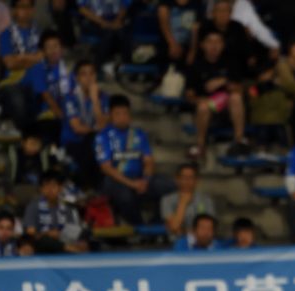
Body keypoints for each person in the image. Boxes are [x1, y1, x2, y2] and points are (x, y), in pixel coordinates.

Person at [94, 94, 170, 225]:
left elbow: (149, 161)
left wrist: (145, 180)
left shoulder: (139, 134)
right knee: (125, 196)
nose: (122, 117)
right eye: (118, 114)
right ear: (111, 115)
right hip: (117, 180)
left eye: (125, 113)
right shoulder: (103, 136)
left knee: (168, 186)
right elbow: (106, 168)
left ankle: (156, 223)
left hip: (139, 178)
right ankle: (139, 226)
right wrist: (131, 184)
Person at [184, 29, 247, 159]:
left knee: (236, 98)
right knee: (203, 107)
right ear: (203, 45)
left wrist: (223, 81)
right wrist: (201, 100)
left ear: (223, 45)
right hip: (206, 108)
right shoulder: (196, 65)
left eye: (218, 42)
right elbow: (189, 95)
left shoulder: (231, 63)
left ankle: (239, 141)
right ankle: (200, 145)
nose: (214, 46)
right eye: (210, 42)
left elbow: (240, 89)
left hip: (227, 108)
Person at [62, 60, 109, 189]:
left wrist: (95, 100)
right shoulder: (70, 97)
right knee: (91, 149)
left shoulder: (103, 97)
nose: (88, 78)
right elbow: (77, 128)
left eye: (91, 74)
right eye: (84, 74)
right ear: (77, 78)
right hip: (74, 142)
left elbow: (103, 126)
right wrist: (96, 129)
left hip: (95, 141)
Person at [0, 0, 43, 132]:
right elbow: (10, 63)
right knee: (19, 103)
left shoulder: (40, 34)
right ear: (14, 10)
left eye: (29, 7)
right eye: (22, 7)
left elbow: (45, 58)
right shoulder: (6, 34)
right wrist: (34, 58)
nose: (26, 10)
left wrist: (22, 58)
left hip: (38, 80)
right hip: (14, 82)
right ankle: (27, 137)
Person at [23, 171, 87, 253]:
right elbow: (30, 234)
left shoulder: (67, 208)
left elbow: (72, 232)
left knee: (85, 237)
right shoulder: (33, 207)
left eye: (53, 186)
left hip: (64, 241)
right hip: (42, 247)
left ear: (60, 188)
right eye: (46, 186)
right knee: (45, 240)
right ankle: (69, 249)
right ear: (41, 189)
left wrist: (61, 235)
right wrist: (48, 234)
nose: (50, 189)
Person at [28, 29, 73, 143]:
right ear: (43, 51)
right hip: (47, 113)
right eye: (48, 47)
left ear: (62, 48)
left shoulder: (69, 67)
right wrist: (61, 116)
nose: (53, 50)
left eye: (56, 46)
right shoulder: (38, 68)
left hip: (70, 111)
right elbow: (46, 96)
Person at [160, 163, 215, 238]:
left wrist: (186, 233)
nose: (187, 181)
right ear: (177, 179)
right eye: (184, 177)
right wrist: (183, 203)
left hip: (201, 240)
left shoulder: (206, 200)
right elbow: (174, 227)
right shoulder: (167, 200)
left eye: (191, 177)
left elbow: (208, 228)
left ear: (196, 180)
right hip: (176, 242)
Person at [77, 0, 130, 73]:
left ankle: (128, 67)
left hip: (116, 20)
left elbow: (125, 5)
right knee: (108, 34)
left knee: (123, 33)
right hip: (93, 21)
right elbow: (82, 9)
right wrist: (103, 22)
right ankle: (97, 67)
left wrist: (117, 20)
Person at [157, 0, 202, 69]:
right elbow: (163, 24)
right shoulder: (165, 2)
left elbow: (196, 30)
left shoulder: (196, 3)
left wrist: (192, 51)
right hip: (167, 45)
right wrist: (173, 44)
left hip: (188, 46)